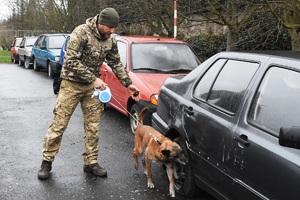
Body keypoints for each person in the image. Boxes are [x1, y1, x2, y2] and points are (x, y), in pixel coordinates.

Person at [38, 8, 140, 180]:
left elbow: (116, 63)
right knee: (59, 125)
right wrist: (94, 79)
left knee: (93, 126)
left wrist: (128, 84)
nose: (113, 31)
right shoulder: (81, 33)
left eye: (115, 28)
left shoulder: (110, 40)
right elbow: (70, 61)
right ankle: (46, 162)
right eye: (110, 27)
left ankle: (91, 163)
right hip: (71, 85)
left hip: (92, 89)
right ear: (101, 24)